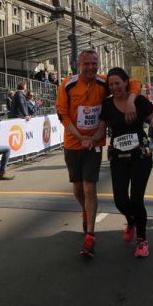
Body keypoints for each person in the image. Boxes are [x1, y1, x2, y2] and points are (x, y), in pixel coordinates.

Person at [56, 49, 138, 259]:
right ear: (78, 65)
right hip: (73, 143)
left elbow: (134, 83)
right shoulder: (67, 84)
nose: (91, 67)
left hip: (95, 144)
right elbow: (62, 114)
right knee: (77, 188)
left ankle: (90, 236)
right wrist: (79, 136)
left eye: (94, 63)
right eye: (86, 64)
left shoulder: (104, 82)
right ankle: (86, 210)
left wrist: (130, 101)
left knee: (89, 187)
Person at [93, 67, 153, 258]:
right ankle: (131, 220)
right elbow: (101, 129)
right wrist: (88, 139)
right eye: (111, 84)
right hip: (118, 158)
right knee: (119, 200)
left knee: (136, 199)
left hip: (140, 157)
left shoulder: (139, 101)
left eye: (117, 83)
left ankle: (142, 239)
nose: (114, 87)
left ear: (126, 82)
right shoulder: (107, 104)